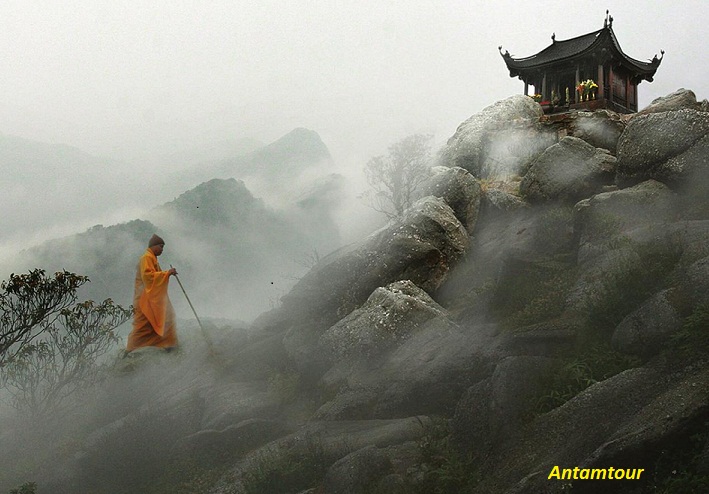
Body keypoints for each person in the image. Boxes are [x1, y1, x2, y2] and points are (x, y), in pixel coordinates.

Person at [126, 234, 179, 353]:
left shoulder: (152, 258)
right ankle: (130, 349)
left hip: (152, 296)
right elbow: (148, 277)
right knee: (143, 326)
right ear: (153, 246)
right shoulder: (147, 257)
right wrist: (167, 273)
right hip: (144, 298)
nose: (162, 250)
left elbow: (154, 276)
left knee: (167, 316)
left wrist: (167, 273)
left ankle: (167, 344)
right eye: (161, 247)